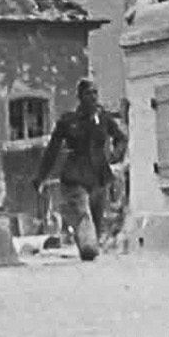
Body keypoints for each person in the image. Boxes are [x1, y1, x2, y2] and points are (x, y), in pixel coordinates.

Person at [33, 79, 128, 261]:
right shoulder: (69, 121)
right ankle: (88, 246)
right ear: (80, 97)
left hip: (99, 175)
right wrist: (41, 177)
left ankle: (88, 246)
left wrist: (115, 156)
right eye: (88, 94)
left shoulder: (103, 119)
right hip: (76, 174)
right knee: (82, 213)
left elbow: (121, 138)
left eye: (95, 93)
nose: (92, 97)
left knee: (96, 218)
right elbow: (52, 150)